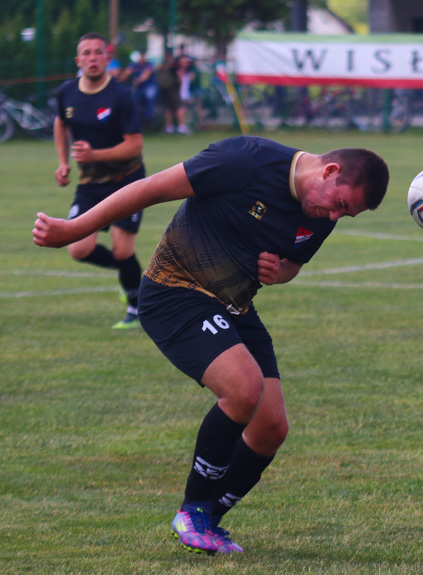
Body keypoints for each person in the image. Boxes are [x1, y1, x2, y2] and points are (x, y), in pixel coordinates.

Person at [33, 135, 390, 555]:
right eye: (340, 205)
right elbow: (149, 189)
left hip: (235, 305)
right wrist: (75, 228)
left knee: (271, 426)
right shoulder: (244, 160)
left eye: (344, 214)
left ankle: (209, 521)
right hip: (174, 291)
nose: (334, 215)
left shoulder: (322, 210)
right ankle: (193, 511)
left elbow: (295, 261)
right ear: (330, 171)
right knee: (242, 388)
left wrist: (282, 270)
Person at [53, 32, 146, 329]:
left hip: (127, 180)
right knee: (77, 248)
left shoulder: (121, 96)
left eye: (98, 52)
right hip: (90, 184)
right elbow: (60, 122)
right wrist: (63, 163)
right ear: (78, 60)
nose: (92, 58)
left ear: (107, 58)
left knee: (122, 250)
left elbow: (135, 146)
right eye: (86, 53)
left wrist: (95, 155)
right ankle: (129, 276)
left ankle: (136, 306)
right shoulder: (67, 92)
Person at [156, 51, 188, 134]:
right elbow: (179, 78)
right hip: (173, 89)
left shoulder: (162, 66)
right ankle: (182, 127)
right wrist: (179, 87)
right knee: (179, 107)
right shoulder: (174, 66)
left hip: (164, 90)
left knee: (168, 109)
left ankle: (169, 128)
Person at [124, 51, 157, 126]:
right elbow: (127, 72)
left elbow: (146, 74)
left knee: (150, 96)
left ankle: (149, 116)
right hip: (139, 87)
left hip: (149, 86)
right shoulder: (134, 65)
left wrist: (139, 80)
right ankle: (136, 117)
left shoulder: (149, 65)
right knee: (134, 98)